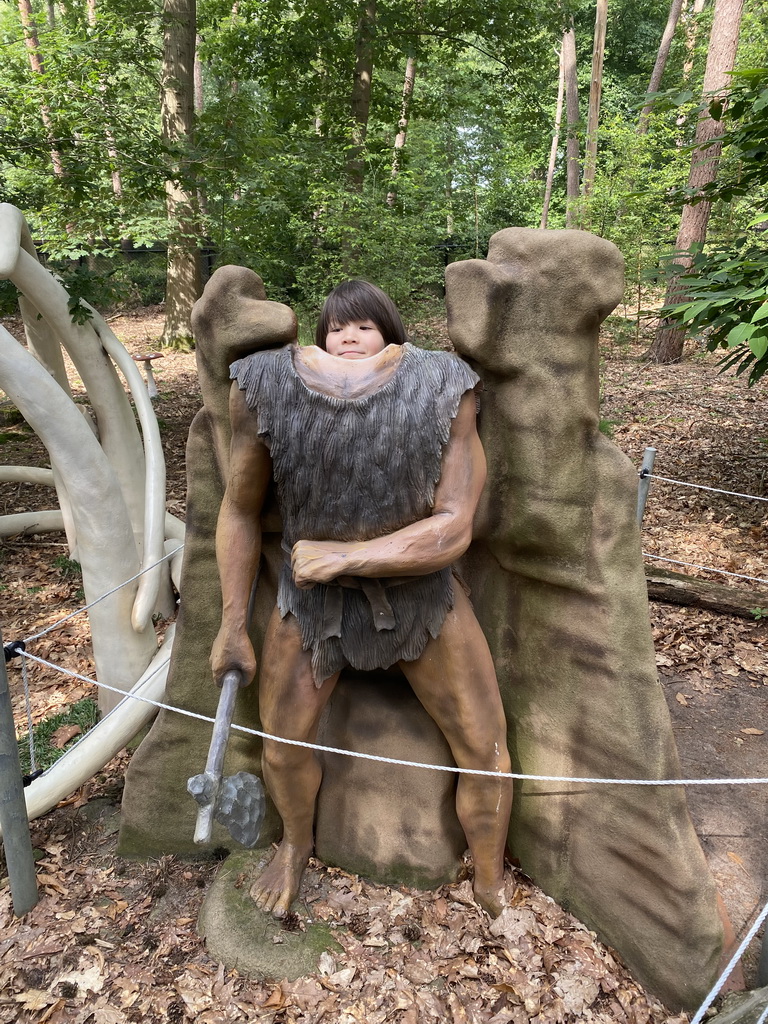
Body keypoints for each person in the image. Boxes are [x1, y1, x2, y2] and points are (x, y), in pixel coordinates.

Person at [210, 280, 513, 918]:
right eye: (337, 328)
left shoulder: (443, 386)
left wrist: (347, 557)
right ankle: (295, 845)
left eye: (365, 327)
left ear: (391, 333)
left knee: (484, 744)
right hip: (311, 606)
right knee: (281, 744)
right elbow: (238, 509)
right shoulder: (263, 386)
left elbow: (455, 524)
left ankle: (489, 878)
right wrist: (232, 623)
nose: (349, 338)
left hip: (425, 600)